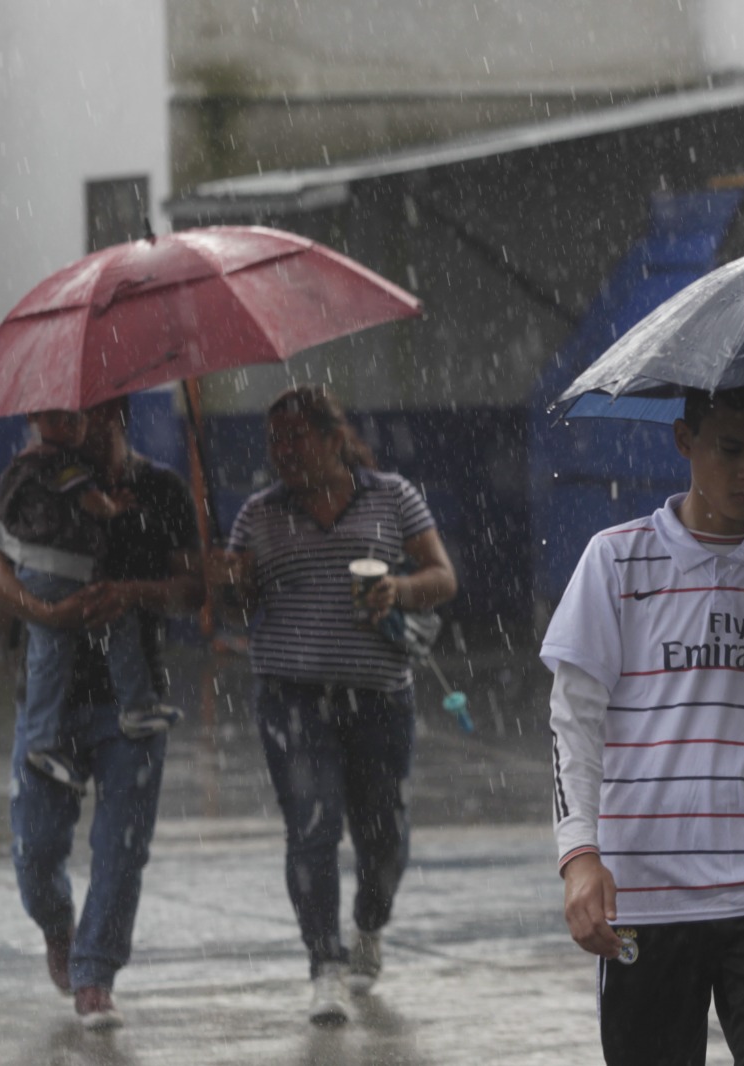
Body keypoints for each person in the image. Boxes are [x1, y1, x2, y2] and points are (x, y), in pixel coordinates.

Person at [542, 380, 744, 1066]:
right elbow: (574, 724)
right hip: (645, 901)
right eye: (731, 448)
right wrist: (580, 857)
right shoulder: (615, 562)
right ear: (684, 442)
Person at [208, 384, 458, 1025]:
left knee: (384, 841)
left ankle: (368, 925)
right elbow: (233, 606)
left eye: (295, 438)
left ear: (331, 438)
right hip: (290, 697)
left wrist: (399, 588)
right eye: (274, 442)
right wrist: (230, 581)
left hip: (380, 696)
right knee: (312, 830)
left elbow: (443, 578)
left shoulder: (392, 496)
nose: (282, 452)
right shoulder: (257, 514)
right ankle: (324, 965)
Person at [0, 396, 203, 1030]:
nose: (81, 434)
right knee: (35, 852)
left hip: (133, 702)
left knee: (121, 848)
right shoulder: (41, 476)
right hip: (48, 701)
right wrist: (45, 613)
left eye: (95, 420)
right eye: (73, 420)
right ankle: (58, 925)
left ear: (118, 419)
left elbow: (193, 591)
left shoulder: (161, 489)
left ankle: (96, 975)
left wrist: (133, 594)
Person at [0, 407, 183, 790]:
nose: (74, 427)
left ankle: (43, 740)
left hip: (38, 570)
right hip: (67, 570)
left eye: (78, 419)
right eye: (63, 419)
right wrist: (113, 507)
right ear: (34, 419)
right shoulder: (63, 463)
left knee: (48, 651)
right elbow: (90, 502)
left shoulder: (20, 467)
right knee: (112, 624)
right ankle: (135, 706)